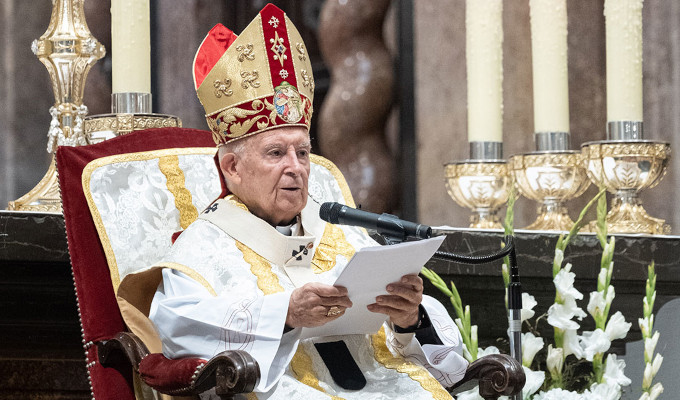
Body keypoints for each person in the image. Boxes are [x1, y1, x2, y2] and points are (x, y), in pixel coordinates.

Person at [148, 4, 468, 399]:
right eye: (275, 153)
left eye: (302, 152)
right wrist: (285, 313)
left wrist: (408, 319)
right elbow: (180, 330)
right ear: (231, 167)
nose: (296, 167)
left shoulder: (337, 232)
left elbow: (430, 355)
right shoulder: (203, 248)